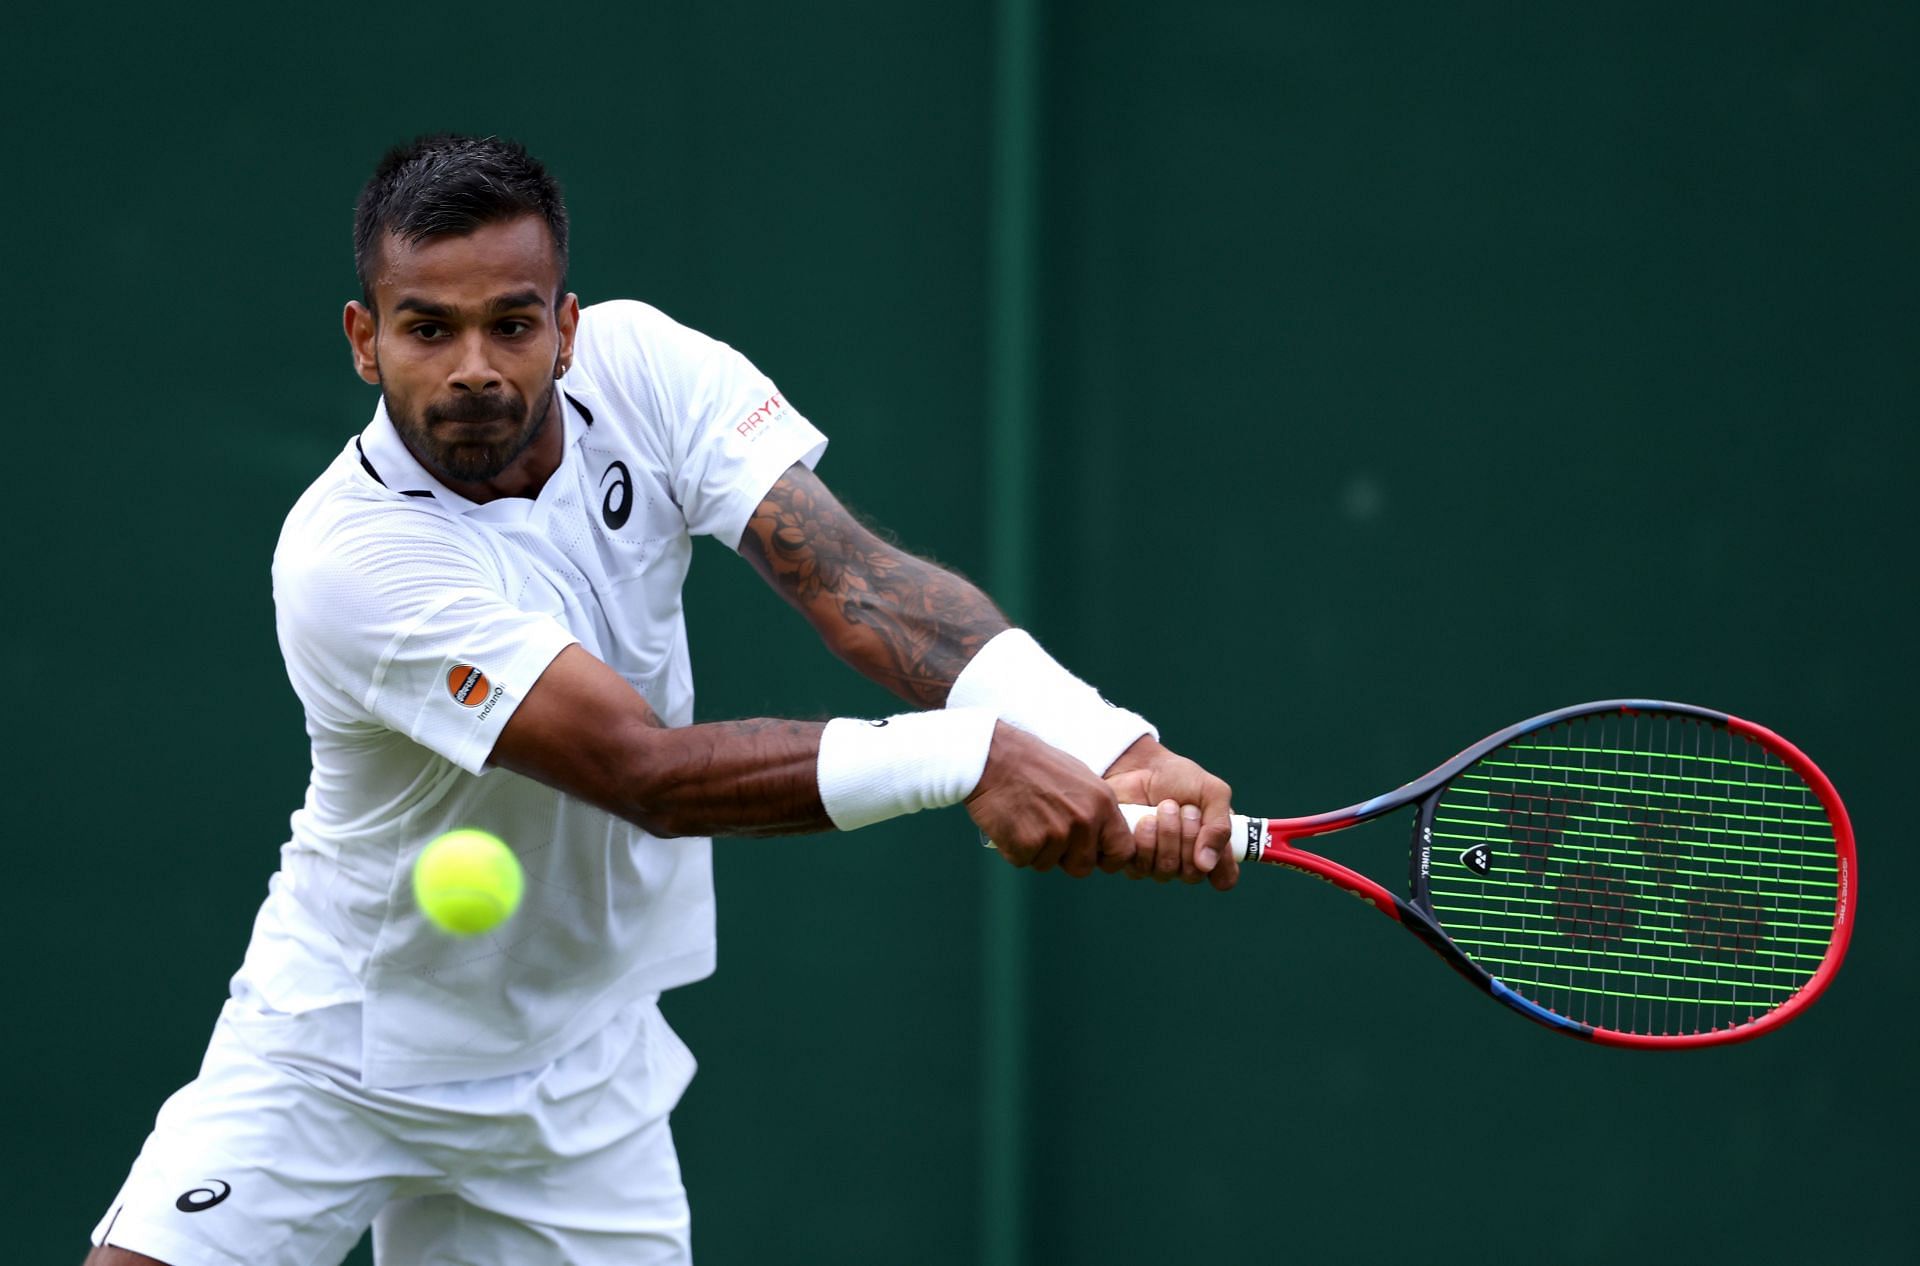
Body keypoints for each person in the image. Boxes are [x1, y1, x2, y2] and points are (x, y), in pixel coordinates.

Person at [85, 133, 1236, 1266]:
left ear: (569, 327)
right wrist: (971, 755)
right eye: (428, 328)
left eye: (513, 323)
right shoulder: (351, 560)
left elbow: (856, 583)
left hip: (581, 1078)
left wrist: (1112, 742)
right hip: (341, 1052)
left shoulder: (650, 370)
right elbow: (645, 773)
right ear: (364, 340)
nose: (474, 366)